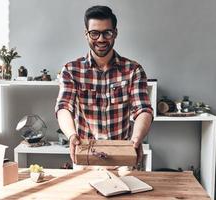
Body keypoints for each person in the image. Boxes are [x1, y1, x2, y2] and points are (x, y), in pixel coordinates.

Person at [55, 5, 153, 168]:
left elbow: (143, 109)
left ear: (115, 33)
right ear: (86, 34)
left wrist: (137, 138)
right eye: (94, 33)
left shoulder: (133, 70)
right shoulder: (71, 70)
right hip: (86, 157)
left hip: (123, 158)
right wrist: (72, 135)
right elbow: (64, 107)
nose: (101, 39)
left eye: (107, 32)